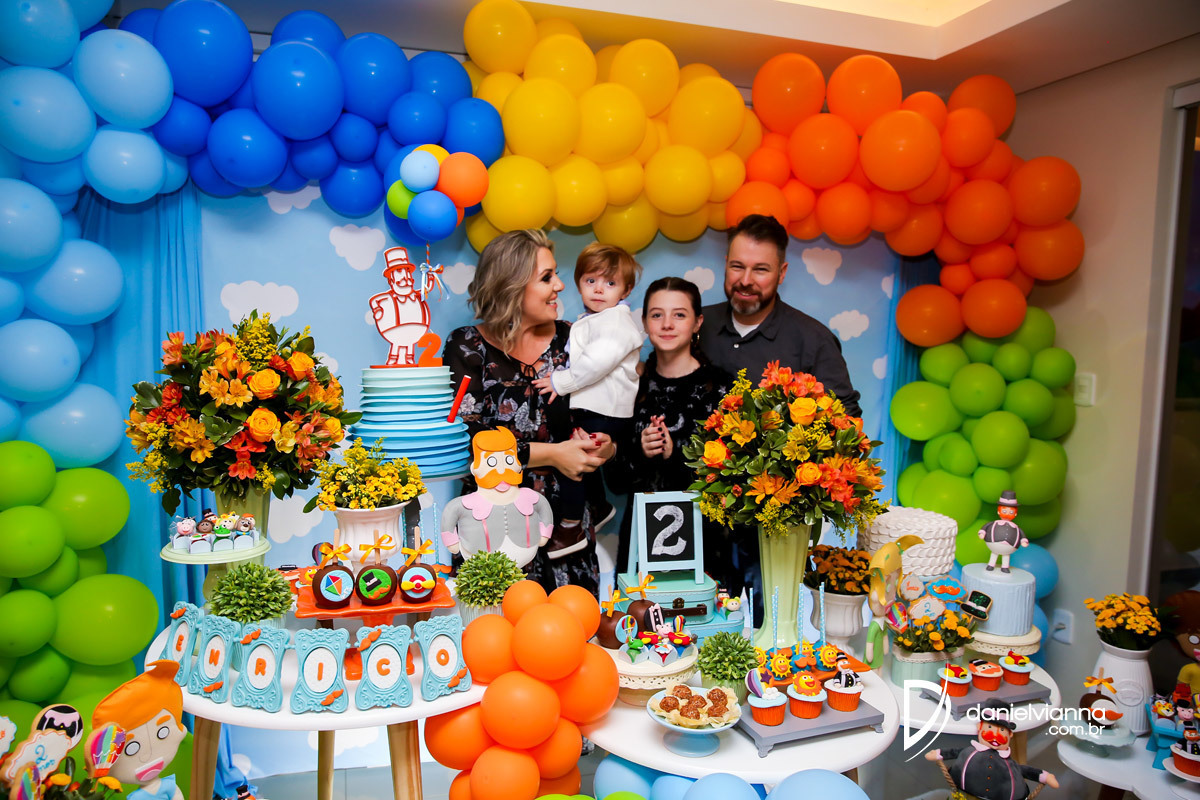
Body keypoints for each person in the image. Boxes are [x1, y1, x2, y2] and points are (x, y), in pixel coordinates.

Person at [698, 213, 862, 625]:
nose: (745, 280)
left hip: (775, 527)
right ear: (725, 265)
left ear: (782, 273)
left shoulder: (812, 339)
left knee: (771, 626)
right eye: (737, 266)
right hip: (700, 520)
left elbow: (847, 423)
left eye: (760, 269)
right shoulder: (697, 324)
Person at [444, 229, 616, 595]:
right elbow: (464, 442)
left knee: (573, 624)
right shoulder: (467, 346)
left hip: (566, 532)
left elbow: (605, 412)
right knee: (491, 626)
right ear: (512, 286)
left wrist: (605, 446)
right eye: (546, 277)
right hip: (490, 528)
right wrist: (554, 454)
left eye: (556, 275)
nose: (560, 286)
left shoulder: (576, 339)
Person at [607, 277, 731, 576]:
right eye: (656, 314)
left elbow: (733, 482)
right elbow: (614, 483)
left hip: (706, 544)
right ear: (644, 322)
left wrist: (675, 454)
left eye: (679, 314)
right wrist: (641, 451)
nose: (666, 324)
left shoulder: (722, 390)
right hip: (640, 545)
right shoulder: (629, 386)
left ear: (697, 322)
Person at [533, 243, 644, 550]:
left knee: (573, 462)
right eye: (590, 280)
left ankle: (570, 527)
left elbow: (596, 364)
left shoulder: (616, 322)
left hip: (606, 409)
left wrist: (559, 382)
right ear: (579, 282)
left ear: (626, 290)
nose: (598, 289)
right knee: (583, 450)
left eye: (610, 283)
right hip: (597, 405)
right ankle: (598, 505)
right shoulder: (595, 319)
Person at [91, 660, 187, 800]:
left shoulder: (168, 786)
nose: (146, 757)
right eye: (131, 748)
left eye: (163, 732)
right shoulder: (137, 797)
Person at [925, 700, 1059, 800]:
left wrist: (1044, 776)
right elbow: (956, 752)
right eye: (990, 728)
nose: (995, 735)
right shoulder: (971, 752)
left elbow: (1023, 770)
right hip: (965, 789)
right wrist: (939, 753)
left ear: (1010, 734)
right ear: (980, 727)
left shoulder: (1009, 764)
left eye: (1002, 730)